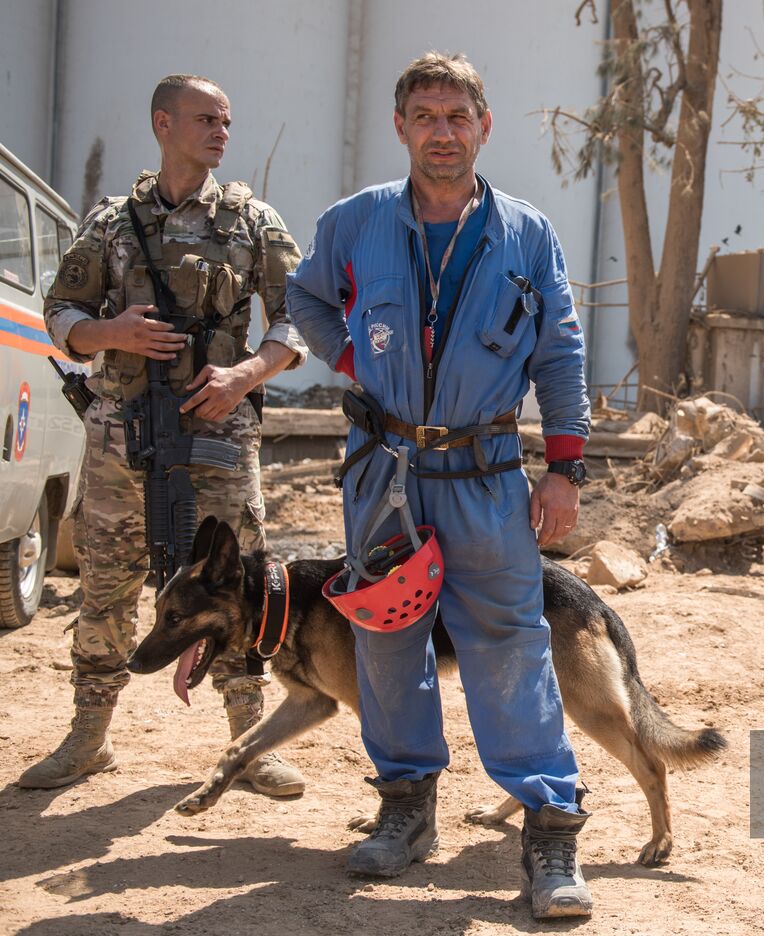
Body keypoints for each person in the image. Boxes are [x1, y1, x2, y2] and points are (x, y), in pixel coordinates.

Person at [285, 53, 593, 919]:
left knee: (508, 639)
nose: (442, 132)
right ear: (402, 128)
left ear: (484, 126)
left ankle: (548, 826)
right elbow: (305, 297)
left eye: (458, 115)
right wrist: (351, 356)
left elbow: (560, 356)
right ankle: (406, 807)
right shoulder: (355, 224)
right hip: (383, 473)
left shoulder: (527, 234)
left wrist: (564, 467)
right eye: (425, 115)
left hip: (487, 474)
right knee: (386, 637)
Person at [26, 75, 308, 796]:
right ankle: (89, 738)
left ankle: (250, 744)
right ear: (163, 123)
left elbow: (298, 321)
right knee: (108, 585)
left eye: (227, 120)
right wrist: (109, 332)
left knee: (239, 583)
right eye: (206, 118)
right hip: (124, 434)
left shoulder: (253, 224)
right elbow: (59, 313)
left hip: (216, 436)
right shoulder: (112, 225)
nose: (220, 131)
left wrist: (243, 375)